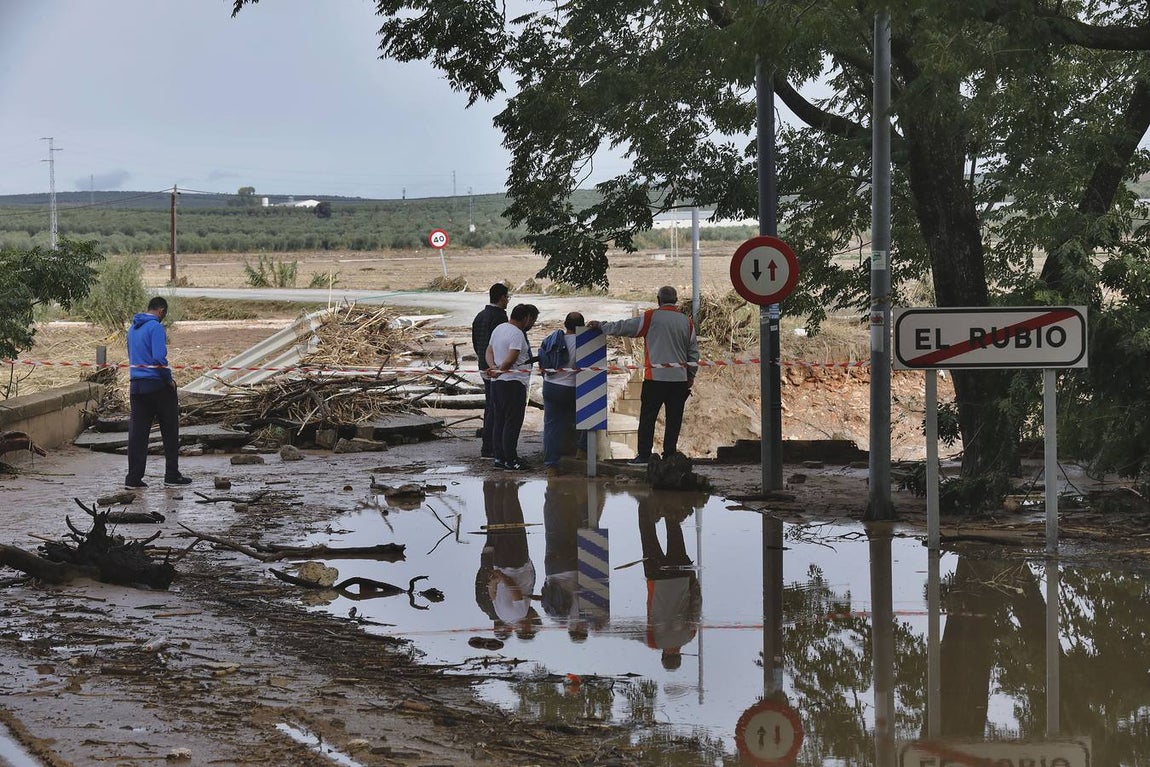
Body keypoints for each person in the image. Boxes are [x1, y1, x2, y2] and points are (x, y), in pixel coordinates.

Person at [589, 285, 699, 465]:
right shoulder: (687, 322)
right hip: (679, 379)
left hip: (655, 378)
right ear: (676, 300)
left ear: (658, 300)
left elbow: (626, 327)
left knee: (648, 417)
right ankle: (670, 454)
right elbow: (693, 352)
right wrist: (691, 375)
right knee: (674, 419)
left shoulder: (651, 317)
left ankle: (644, 455)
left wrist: (602, 326)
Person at [124, 297, 191, 490]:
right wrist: (168, 380)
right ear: (161, 311)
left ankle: (133, 478)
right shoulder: (155, 328)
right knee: (170, 431)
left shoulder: (132, 329)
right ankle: (172, 474)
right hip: (157, 386)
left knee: (137, 434)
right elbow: (159, 358)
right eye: (164, 314)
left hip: (136, 386)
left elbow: (133, 358)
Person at [635, 490, 703, 670]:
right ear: (664, 655)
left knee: (674, 532)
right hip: (656, 579)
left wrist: (692, 578)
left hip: (681, 577)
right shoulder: (652, 642)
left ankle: (668, 498)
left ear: (679, 654)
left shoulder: (689, 636)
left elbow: (695, 605)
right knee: (647, 533)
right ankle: (644, 499)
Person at [485, 303, 539, 471]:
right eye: (533, 320)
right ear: (527, 318)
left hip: (498, 383)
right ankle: (511, 459)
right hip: (513, 382)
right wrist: (499, 370)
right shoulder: (517, 334)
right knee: (512, 422)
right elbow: (511, 358)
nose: (532, 324)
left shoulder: (499, 328)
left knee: (499, 420)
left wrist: (493, 367)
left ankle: (499, 457)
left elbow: (489, 351)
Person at [539, 311, 587, 476]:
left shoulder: (551, 340)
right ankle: (582, 449)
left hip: (551, 387)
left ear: (565, 325)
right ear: (582, 326)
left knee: (552, 426)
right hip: (574, 388)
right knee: (588, 417)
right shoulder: (586, 342)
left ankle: (551, 465)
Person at [471, 283, 510, 458]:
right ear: (502, 297)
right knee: (497, 407)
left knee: (490, 405)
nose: (508, 301)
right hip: (495, 368)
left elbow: (475, 341)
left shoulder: (480, 316)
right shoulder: (500, 317)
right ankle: (491, 447)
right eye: (507, 297)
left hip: (482, 365)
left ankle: (488, 445)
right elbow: (502, 343)